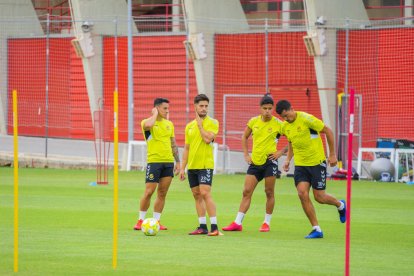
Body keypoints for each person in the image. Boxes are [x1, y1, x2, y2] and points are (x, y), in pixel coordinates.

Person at [275, 99, 346, 239]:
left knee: (319, 197)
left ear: (292, 109)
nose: (286, 119)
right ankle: (316, 229)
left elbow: (328, 131)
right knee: (302, 193)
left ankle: (340, 205)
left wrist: (332, 154)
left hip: (317, 163)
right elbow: (291, 142)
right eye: (283, 117)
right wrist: (288, 160)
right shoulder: (286, 126)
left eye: (287, 115)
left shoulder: (307, 119)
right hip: (301, 165)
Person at [222, 95, 285, 232]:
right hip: (255, 162)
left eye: (270, 108)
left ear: (273, 108)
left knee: (269, 192)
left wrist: (281, 152)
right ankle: (238, 223)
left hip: (270, 162)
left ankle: (266, 223)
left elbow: (292, 139)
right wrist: (245, 154)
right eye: (265, 108)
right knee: (246, 191)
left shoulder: (279, 124)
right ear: (260, 108)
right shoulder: (253, 122)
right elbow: (244, 136)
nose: (267, 111)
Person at [133, 98, 180, 231]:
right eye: (164, 108)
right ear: (157, 108)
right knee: (149, 192)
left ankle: (156, 221)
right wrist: (154, 114)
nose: (167, 111)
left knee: (162, 193)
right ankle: (140, 220)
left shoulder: (169, 124)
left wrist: (178, 162)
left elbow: (173, 143)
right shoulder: (147, 122)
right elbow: (148, 126)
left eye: (168, 108)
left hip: (168, 162)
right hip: (154, 162)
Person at [179, 94, 221, 236]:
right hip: (192, 166)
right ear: (195, 106)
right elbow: (187, 148)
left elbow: (208, 139)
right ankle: (202, 226)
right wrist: (182, 168)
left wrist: (200, 125)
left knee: (205, 193)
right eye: (201, 106)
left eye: (206, 106)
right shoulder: (189, 127)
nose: (204, 108)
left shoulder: (213, 122)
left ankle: (214, 227)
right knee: (196, 195)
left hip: (205, 165)